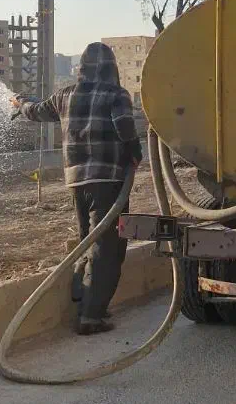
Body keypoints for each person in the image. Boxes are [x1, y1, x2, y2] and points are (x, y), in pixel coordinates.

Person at [12, 42, 143, 335]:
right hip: (108, 181)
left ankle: (83, 300)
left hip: (76, 181)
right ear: (112, 67)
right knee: (107, 247)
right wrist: (136, 153)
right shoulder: (116, 94)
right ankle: (91, 317)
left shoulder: (65, 95)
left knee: (88, 240)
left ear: (81, 68)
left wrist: (20, 103)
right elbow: (124, 127)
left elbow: (36, 111)